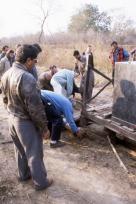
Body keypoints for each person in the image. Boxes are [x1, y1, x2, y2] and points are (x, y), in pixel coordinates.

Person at [1, 44, 53, 191]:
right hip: (25, 122)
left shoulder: (6, 74)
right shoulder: (27, 77)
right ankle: (41, 182)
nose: (35, 63)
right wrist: (44, 128)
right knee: (34, 152)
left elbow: (4, 99)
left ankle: (23, 175)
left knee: (19, 150)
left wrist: (11, 112)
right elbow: (35, 109)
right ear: (28, 60)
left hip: (11, 119)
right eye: (35, 61)